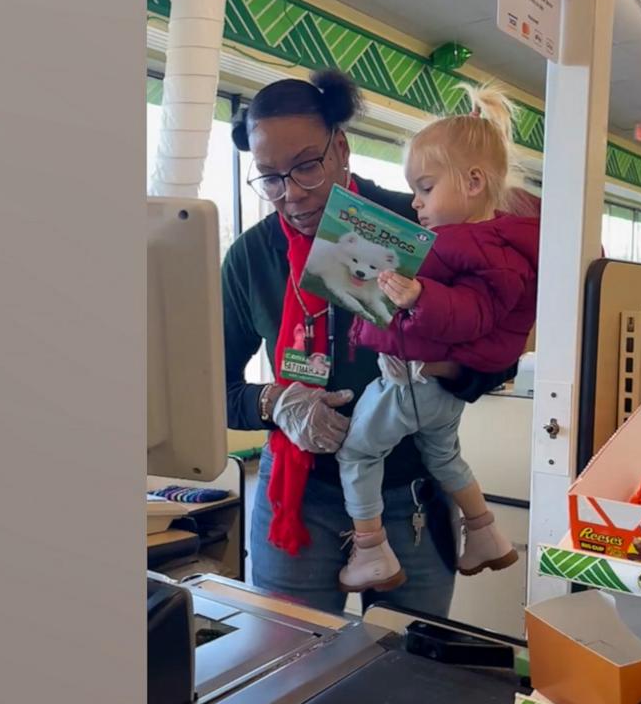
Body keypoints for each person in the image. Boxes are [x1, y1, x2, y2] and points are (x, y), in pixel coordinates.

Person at [221, 68, 518, 617]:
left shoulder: (420, 224)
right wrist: (274, 402)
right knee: (294, 670)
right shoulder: (250, 258)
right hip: (297, 500)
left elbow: (499, 356)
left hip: (411, 496)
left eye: (307, 166)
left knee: (414, 671)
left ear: (341, 147)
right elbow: (211, 388)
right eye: (269, 177)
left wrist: (442, 370)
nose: (291, 194)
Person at [336, 82, 536, 593]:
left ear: (472, 183)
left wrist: (418, 295)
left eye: (425, 188)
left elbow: (474, 313)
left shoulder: (467, 245)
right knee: (444, 456)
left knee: (358, 455)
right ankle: (486, 533)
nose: (414, 201)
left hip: (411, 385)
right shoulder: (488, 242)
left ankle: (370, 551)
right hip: (438, 392)